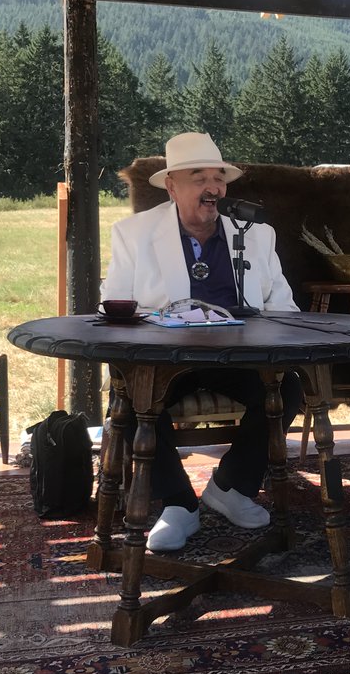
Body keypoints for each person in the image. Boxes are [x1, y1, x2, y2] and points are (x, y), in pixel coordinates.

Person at [104, 132, 302, 552]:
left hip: (238, 357)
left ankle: (230, 487)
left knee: (288, 389)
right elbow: (114, 307)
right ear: (172, 186)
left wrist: (268, 334)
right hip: (166, 359)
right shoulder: (133, 234)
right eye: (199, 178)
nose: (213, 188)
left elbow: (283, 306)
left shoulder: (257, 235)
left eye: (219, 178)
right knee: (135, 395)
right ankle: (177, 504)